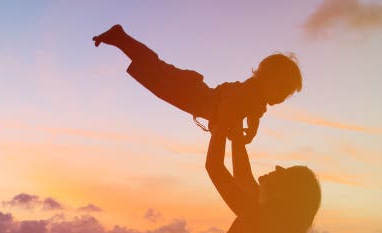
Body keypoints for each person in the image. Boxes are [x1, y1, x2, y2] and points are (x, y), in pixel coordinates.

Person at [93, 24, 302, 143]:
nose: (283, 97)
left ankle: (121, 38)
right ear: (267, 79)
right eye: (283, 90)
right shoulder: (250, 94)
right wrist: (229, 127)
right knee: (153, 67)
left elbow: (252, 115)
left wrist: (247, 132)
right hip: (191, 92)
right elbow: (231, 103)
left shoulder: (256, 101)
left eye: (287, 94)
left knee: (153, 68)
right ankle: (120, 37)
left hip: (191, 93)